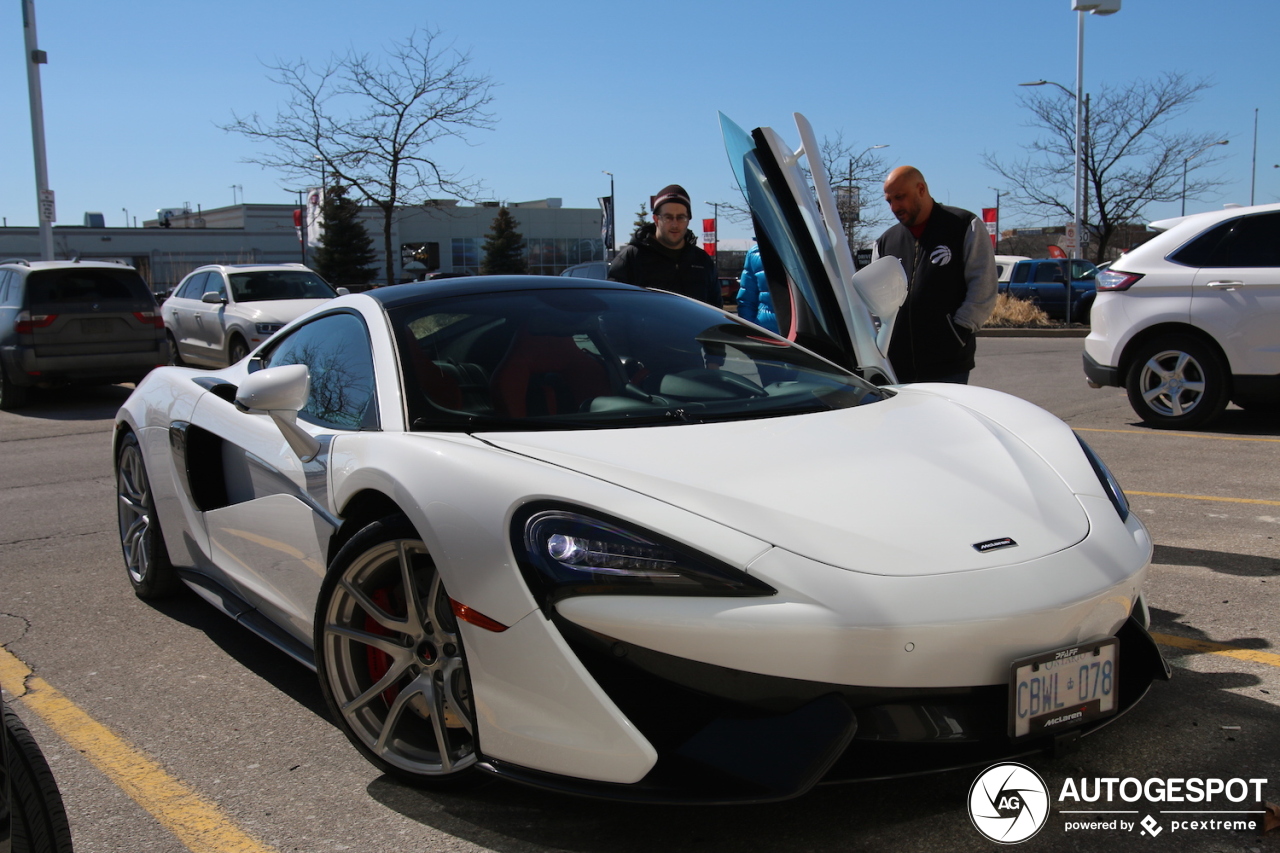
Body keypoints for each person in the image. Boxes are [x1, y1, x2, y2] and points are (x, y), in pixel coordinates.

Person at [873, 166, 997, 384]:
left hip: (948, 365)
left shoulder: (964, 226)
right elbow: (874, 300)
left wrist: (957, 332)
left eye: (900, 197)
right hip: (895, 365)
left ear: (921, 189)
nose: (894, 207)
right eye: (889, 201)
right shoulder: (885, 242)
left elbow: (983, 288)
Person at [608, 184, 721, 307]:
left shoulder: (702, 261)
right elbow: (613, 308)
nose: (674, 224)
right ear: (656, 219)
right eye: (668, 217)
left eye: (681, 217)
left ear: (688, 219)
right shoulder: (631, 258)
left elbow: (716, 310)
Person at [735, 242, 779, 333]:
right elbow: (747, 301)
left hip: (807, 333)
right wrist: (751, 332)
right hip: (768, 333)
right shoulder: (755, 253)